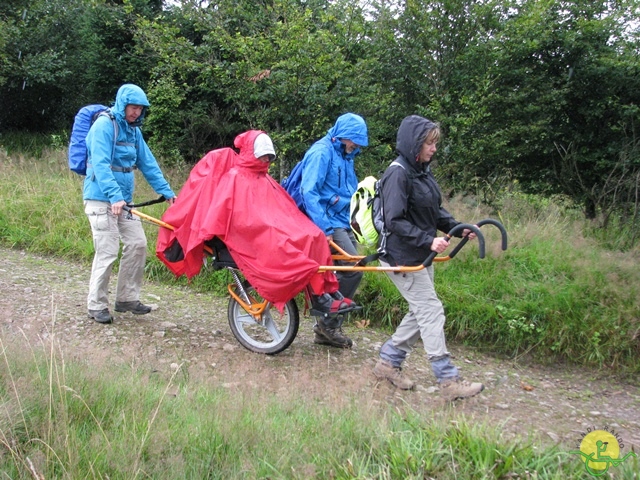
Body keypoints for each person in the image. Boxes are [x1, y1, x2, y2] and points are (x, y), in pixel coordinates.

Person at [155, 130, 356, 346]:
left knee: (314, 236)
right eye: (263, 156)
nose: (266, 161)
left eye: (269, 157)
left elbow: (281, 208)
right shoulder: (234, 178)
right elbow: (223, 215)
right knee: (292, 244)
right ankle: (320, 296)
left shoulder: (263, 178)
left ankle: (324, 293)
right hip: (252, 234)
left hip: (269, 227)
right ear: (251, 152)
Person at [372, 115, 484, 401]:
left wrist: (458, 229)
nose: (434, 149)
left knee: (420, 311)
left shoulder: (422, 171)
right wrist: (428, 240)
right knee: (431, 311)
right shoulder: (397, 173)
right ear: (414, 144)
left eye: (435, 143)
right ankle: (448, 380)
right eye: (429, 143)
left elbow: (434, 212)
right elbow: (394, 220)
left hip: (421, 254)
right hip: (401, 256)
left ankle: (387, 363)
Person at [83, 83, 176, 324]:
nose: (136, 113)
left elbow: (148, 163)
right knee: (107, 250)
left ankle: (126, 299)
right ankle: (96, 305)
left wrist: (166, 192)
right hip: (101, 199)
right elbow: (101, 164)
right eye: (133, 107)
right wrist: (114, 196)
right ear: (123, 104)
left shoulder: (134, 131)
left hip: (124, 202)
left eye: (140, 109)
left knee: (138, 244)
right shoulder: (104, 125)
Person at [284, 113, 368, 346]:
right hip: (327, 222)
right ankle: (326, 325)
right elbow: (309, 191)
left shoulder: (346, 155)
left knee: (347, 269)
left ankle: (326, 316)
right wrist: (324, 227)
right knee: (353, 269)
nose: (357, 145)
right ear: (342, 136)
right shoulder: (321, 153)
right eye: (354, 140)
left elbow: (347, 190)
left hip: (342, 220)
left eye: (359, 141)